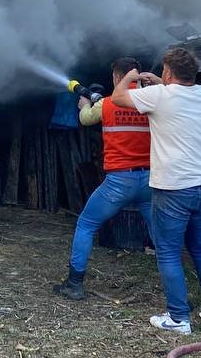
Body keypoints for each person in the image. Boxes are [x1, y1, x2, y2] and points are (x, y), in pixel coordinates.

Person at [112, 48, 201, 335]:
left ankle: (178, 318)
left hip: (173, 187)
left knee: (168, 252)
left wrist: (131, 77)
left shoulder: (159, 96)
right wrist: (160, 82)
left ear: (167, 72)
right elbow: (176, 94)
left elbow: (117, 97)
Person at [52, 58, 151, 301]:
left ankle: (74, 284)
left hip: (119, 182)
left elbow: (85, 119)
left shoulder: (106, 104)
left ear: (117, 78)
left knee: (86, 224)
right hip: (150, 180)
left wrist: (85, 103)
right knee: (162, 236)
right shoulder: (152, 102)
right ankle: (178, 294)